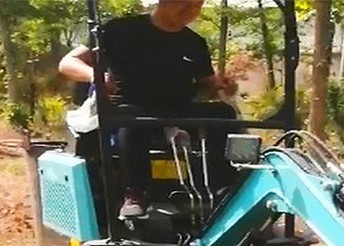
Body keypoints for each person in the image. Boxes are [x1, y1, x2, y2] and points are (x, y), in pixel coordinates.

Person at [59, 0, 238, 218]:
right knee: (135, 121)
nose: (190, 11)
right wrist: (95, 76)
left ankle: (224, 186)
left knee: (224, 115)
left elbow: (207, 81)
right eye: (185, 3)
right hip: (129, 106)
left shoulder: (194, 42)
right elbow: (68, 63)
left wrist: (223, 85)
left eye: (197, 6)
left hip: (177, 108)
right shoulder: (119, 30)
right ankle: (135, 192)